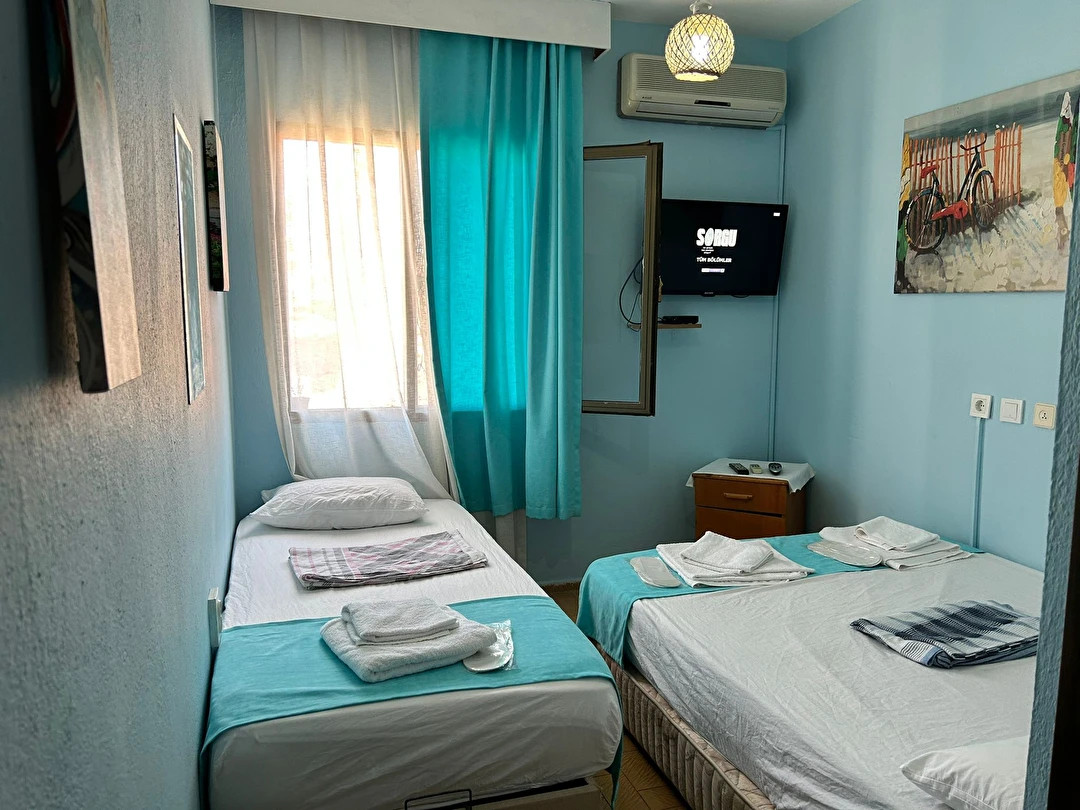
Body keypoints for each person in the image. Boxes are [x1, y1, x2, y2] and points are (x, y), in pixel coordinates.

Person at [1053, 91, 1076, 252]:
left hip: (1064, 166)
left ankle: (1064, 234)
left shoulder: (1066, 128)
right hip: (1062, 166)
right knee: (1060, 206)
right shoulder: (1065, 129)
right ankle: (1064, 234)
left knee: (1061, 206)